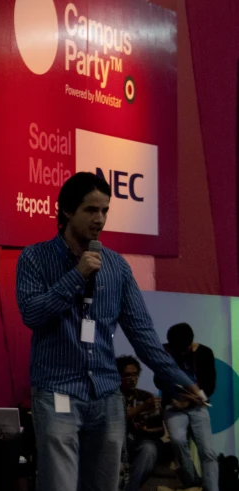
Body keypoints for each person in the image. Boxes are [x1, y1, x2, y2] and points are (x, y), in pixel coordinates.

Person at [16, 172, 203, 491]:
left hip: (106, 394)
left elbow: (143, 334)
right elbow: (32, 314)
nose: (100, 219)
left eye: (105, 211)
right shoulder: (35, 258)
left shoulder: (116, 267)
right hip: (57, 391)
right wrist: (77, 276)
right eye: (91, 210)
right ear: (67, 211)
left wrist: (180, 381)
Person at [155, 323, 217, 491]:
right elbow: (158, 381)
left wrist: (190, 400)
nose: (181, 353)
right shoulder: (166, 353)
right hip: (174, 405)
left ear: (190, 344)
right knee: (177, 440)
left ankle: (212, 488)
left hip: (197, 405)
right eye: (178, 350)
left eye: (183, 349)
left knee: (208, 451)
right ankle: (192, 481)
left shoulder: (204, 353)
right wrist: (174, 394)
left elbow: (209, 385)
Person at [117, 355, 164, 491]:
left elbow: (160, 430)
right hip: (121, 441)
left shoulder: (147, 397)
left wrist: (147, 430)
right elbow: (118, 417)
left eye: (135, 375)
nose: (132, 379)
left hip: (144, 441)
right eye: (127, 375)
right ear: (118, 376)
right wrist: (143, 408)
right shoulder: (112, 397)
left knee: (149, 449)